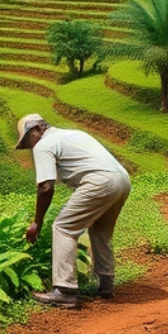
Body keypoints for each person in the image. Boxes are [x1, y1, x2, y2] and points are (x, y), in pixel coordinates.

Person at [17, 114, 132, 309]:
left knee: (63, 227)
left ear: (37, 129)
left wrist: (37, 222)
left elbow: (45, 187)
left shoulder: (43, 144)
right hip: (122, 180)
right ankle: (106, 284)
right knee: (100, 231)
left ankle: (64, 290)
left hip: (100, 181)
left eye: (27, 140)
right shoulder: (70, 134)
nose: (29, 147)